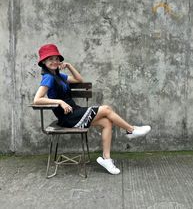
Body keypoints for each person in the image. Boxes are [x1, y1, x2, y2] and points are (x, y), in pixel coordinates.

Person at [34, 44, 151, 175]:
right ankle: (131, 130)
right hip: (68, 117)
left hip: (74, 112)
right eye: (50, 59)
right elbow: (37, 99)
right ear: (43, 62)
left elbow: (79, 79)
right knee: (106, 109)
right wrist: (60, 101)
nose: (54, 62)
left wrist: (69, 66)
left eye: (56, 58)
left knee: (106, 122)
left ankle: (106, 159)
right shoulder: (48, 77)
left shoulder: (59, 76)